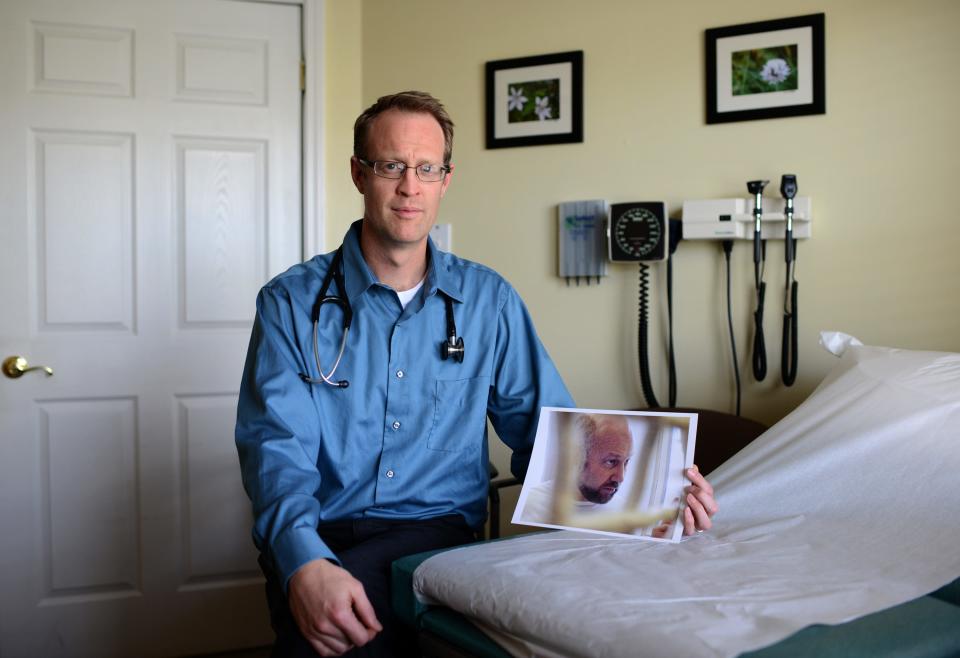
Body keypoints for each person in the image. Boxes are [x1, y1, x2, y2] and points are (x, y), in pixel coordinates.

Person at [235, 91, 717, 658]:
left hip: (436, 541)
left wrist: (663, 497)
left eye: (426, 168)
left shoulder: (488, 303)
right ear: (359, 174)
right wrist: (303, 561)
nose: (409, 186)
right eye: (391, 166)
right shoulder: (291, 304)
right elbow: (276, 452)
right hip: (321, 533)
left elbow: (553, 440)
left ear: (445, 178)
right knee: (330, 635)